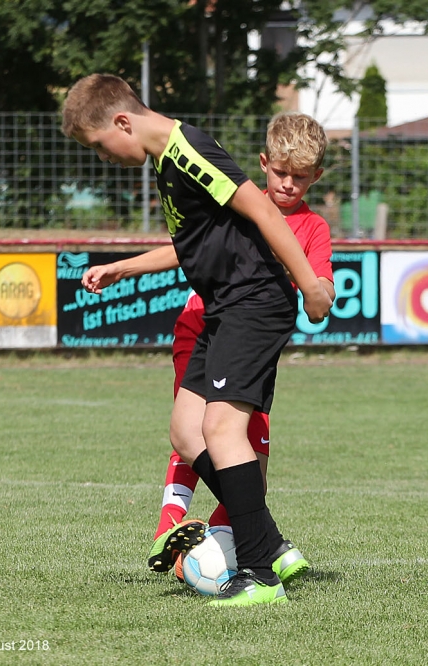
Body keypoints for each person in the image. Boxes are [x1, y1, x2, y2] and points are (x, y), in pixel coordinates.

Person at [65, 75, 332, 606]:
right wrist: (124, 268)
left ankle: (259, 574)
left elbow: (262, 210)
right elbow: (192, 242)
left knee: (221, 428)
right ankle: (268, 540)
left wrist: (311, 287)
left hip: (253, 302)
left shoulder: (187, 148)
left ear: (123, 122)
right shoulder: (166, 160)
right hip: (222, 308)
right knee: (187, 431)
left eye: (99, 145)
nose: (103, 157)